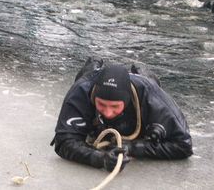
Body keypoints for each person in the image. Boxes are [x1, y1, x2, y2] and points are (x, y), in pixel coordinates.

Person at [51, 56, 193, 172]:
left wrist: (135, 148)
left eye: (115, 106)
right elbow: (63, 142)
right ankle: (94, 62)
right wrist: (99, 158)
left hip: (143, 83)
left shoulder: (152, 96)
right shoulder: (82, 90)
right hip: (90, 79)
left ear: (126, 101)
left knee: (147, 79)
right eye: (101, 104)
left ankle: (140, 70)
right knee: (87, 75)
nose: (107, 113)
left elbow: (183, 146)